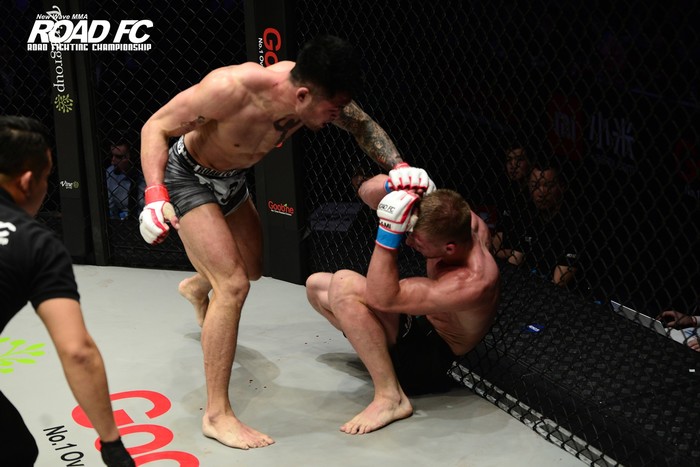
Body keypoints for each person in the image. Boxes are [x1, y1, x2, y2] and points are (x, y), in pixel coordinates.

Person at [138, 34, 434, 449]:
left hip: (231, 179)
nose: (334, 118)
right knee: (233, 285)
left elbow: (361, 123)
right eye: (330, 110)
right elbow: (156, 126)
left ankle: (197, 285)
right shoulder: (230, 89)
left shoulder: (314, 92)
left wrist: (399, 166)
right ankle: (217, 415)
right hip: (187, 177)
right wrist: (155, 196)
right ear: (302, 95)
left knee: (251, 269)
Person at [306, 174, 500, 435]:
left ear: (449, 248)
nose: (408, 241)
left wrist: (388, 233)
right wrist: (395, 184)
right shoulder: (455, 219)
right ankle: (377, 351)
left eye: (417, 241)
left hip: (427, 360)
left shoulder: (470, 281)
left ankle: (390, 397)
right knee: (316, 287)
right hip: (419, 328)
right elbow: (365, 192)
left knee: (343, 284)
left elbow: (382, 298)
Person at [0, 116, 134, 466]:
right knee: (15, 451)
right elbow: (77, 351)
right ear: (27, 182)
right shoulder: (34, 243)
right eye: (46, 178)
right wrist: (112, 444)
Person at [492, 144, 532, 264]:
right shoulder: (508, 192)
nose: (513, 165)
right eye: (509, 160)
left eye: (519, 160)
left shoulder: (534, 198)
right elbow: (500, 232)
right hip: (507, 255)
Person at [105, 141, 145, 220]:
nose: (113, 161)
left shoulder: (150, 176)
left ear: (133, 157)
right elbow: (111, 209)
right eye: (112, 156)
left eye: (118, 157)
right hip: (124, 220)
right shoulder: (111, 173)